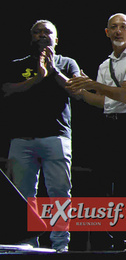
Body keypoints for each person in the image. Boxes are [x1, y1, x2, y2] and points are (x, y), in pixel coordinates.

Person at [2, 20, 80, 252]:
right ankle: (27, 244)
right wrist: (37, 77)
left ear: (57, 39)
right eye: (37, 33)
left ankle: (60, 246)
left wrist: (53, 71)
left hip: (56, 137)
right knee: (23, 196)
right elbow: (7, 89)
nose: (42, 36)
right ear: (31, 38)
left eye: (47, 32)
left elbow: (77, 92)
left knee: (59, 194)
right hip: (22, 140)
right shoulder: (18, 64)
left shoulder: (67, 63)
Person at [68, 13, 126, 198]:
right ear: (107, 32)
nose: (118, 31)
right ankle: (107, 227)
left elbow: (125, 95)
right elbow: (103, 101)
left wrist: (92, 84)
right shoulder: (105, 65)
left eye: (123, 27)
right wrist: (81, 91)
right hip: (108, 124)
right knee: (103, 178)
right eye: (113, 27)